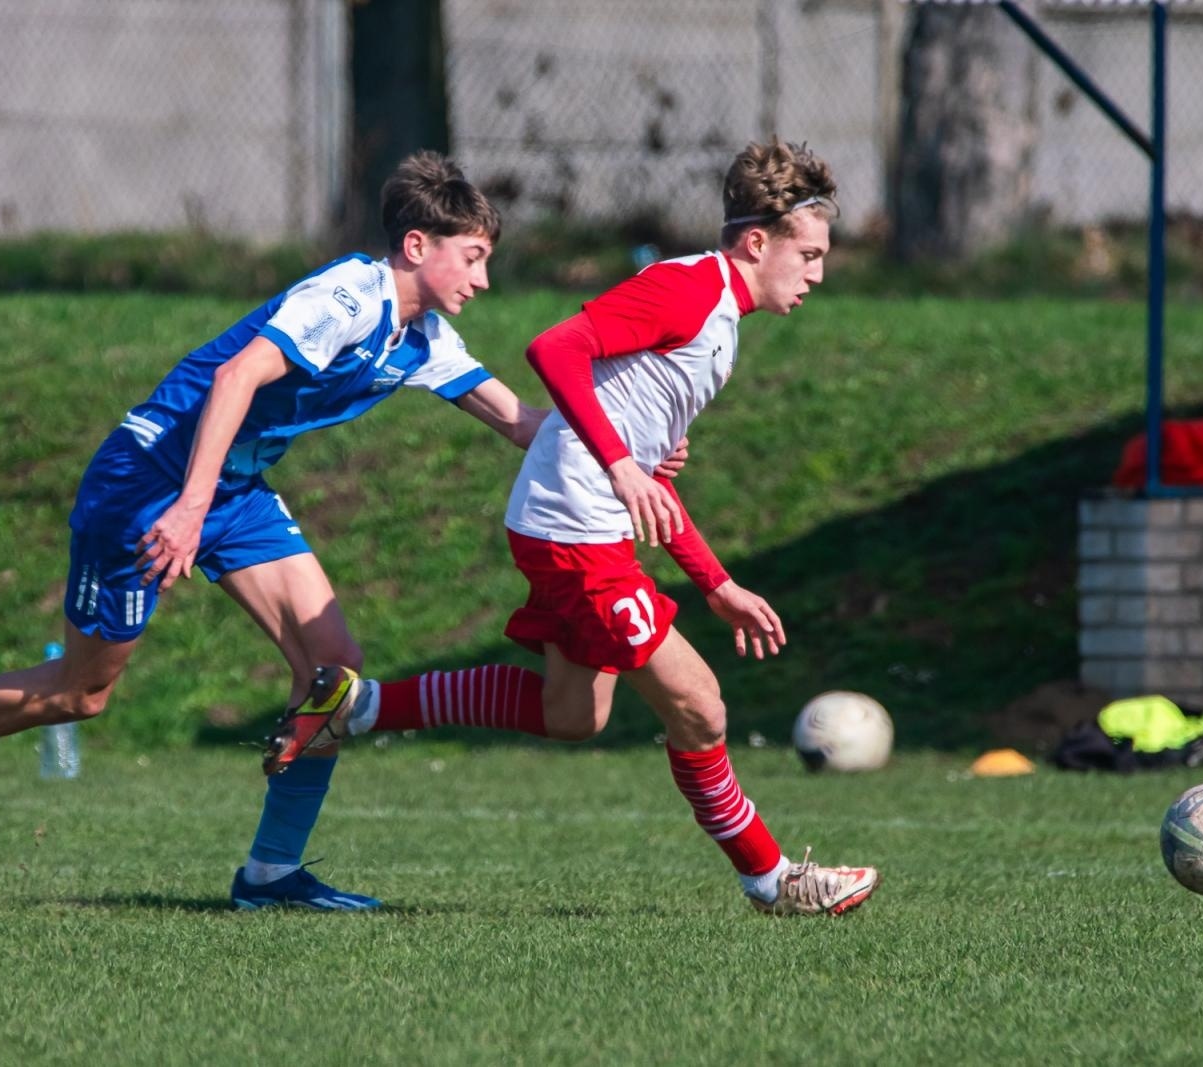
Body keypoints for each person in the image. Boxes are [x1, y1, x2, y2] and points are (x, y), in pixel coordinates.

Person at [0, 152, 587, 912]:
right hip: (148, 479)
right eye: (474, 257)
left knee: (332, 668)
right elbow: (235, 377)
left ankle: (270, 875)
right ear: (418, 246)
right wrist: (189, 506)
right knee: (81, 693)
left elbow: (523, 424)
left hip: (230, 488)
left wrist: (626, 447)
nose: (483, 280)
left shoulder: (423, 340)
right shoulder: (347, 297)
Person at [265, 140, 882, 916]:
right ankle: (772, 878)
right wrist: (621, 462)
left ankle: (358, 708)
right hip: (574, 531)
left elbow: (647, 478)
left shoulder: (717, 317)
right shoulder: (691, 290)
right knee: (698, 702)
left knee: (572, 714)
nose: (818, 274)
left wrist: (715, 582)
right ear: (758, 242)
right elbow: (555, 347)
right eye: (811, 254)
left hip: (572, 523)